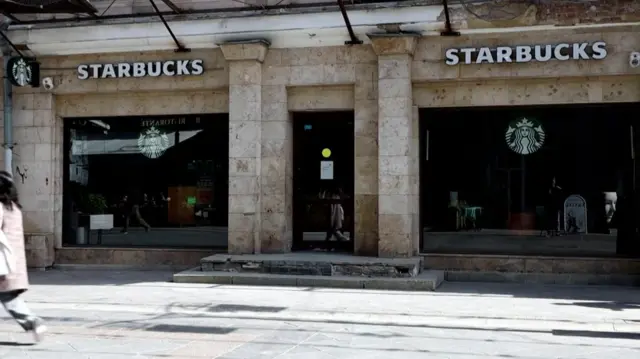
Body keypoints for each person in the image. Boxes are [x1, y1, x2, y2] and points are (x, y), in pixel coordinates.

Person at [0, 171, 46, 342]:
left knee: (8, 297)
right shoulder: (15, 208)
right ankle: (32, 322)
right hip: (14, 262)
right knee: (8, 296)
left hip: (2, 262)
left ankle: (32, 321)